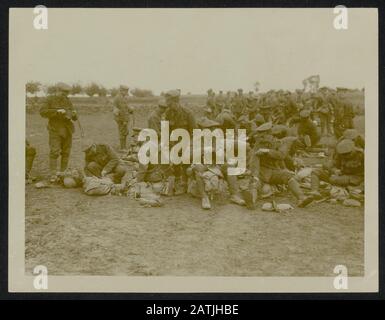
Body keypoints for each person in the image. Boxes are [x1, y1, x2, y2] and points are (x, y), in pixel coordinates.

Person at [251, 122, 313, 208]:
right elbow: (254, 161)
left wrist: (267, 151)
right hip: (262, 172)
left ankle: (301, 198)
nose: (261, 138)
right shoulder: (258, 145)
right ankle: (251, 202)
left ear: (270, 134)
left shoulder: (280, 143)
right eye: (261, 136)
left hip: (274, 172)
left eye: (263, 136)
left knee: (288, 176)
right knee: (255, 184)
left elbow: (281, 155)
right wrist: (255, 175)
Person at [39, 82, 78, 182]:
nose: (66, 94)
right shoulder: (49, 99)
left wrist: (74, 114)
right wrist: (56, 111)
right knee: (55, 152)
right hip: (55, 129)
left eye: (67, 93)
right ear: (57, 90)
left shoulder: (68, 101)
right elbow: (42, 112)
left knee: (66, 152)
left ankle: (63, 173)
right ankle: (53, 174)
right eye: (64, 92)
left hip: (68, 130)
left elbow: (74, 117)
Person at [113, 85, 134, 151]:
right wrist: (124, 120)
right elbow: (122, 110)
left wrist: (131, 109)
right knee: (122, 132)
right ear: (121, 90)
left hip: (123, 118)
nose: (126, 92)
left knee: (124, 132)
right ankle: (122, 148)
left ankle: (123, 147)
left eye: (127, 91)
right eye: (125, 91)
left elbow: (126, 107)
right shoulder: (119, 98)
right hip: (121, 118)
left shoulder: (123, 97)